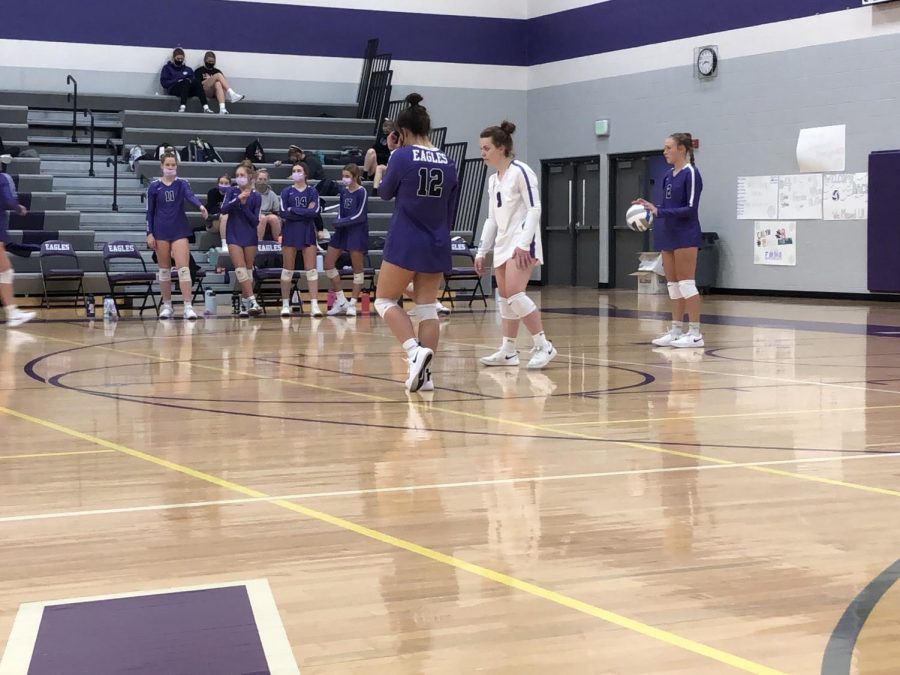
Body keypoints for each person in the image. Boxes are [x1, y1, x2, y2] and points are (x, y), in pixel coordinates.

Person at [375, 93, 458, 393]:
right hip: (437, 240)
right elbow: (452, 209)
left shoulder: (401, 156)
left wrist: (390, 157)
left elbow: (385, 193)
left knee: (384, 300)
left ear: (402, 132)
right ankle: (427, 377)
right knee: (427, 309)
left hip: (406, 238)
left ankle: (413, 352)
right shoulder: (449, 161)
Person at [475, 121, 557, 369]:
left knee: (515, 294)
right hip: (502, 243)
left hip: (523, 242)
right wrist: (481, 251)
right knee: (505, 298)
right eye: (481, 148)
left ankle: (544, 345)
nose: (483, 153)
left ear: (501, 148)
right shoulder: (493, 180)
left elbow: (535, 208)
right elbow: (491, 219)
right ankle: (509, 350)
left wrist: (523, 244)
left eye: (486, 148)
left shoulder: (521, 171)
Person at [632, 132, 705, 348]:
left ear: (682, 149)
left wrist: (661, 212)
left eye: (668, 148)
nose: (665, 152)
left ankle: (695, 333)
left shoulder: (691, 173)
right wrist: (651, 207)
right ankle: (675, 330)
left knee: (686, 283)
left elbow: (691, 208)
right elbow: (665, 207)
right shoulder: (667, 175)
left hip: (686, 234)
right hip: (668, 234)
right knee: (673, 286)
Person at [146, 153, 209, 320]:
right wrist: (149, 233)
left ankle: (188, 306)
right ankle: (167, 305)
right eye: (167, 164)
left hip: (179, 229)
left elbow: (190, 196)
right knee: (164, 270)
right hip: (160, 231)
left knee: (183, 268)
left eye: (173, 165)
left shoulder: (182, 183)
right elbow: (150, 212)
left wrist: (200, 206)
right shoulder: (154, 187)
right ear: (161, 166)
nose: (170, 167)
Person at [279, 162, 322, 318]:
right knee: (287, 269)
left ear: (305, 174)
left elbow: (315, 212)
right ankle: (285, 305)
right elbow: (283, 212)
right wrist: (305, 211)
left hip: (307, 231)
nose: (296, 173)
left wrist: (294, 210)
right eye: (293, 171)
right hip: (290, 231)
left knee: (311, 270)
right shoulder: (286, 192)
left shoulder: (312, 192)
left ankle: (315, 305)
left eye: (299, 170)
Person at [324, 164, 368, 317]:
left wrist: (342, 222)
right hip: (342, 232)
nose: (344, 179)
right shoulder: (343, 192)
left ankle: (353, 304)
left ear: (355, 177)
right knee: (328, 264)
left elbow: (360, 215)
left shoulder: (362, 191)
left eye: (347, 176)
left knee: (357, 269)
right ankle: (341, 300)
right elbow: (342, 212)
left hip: (356, 232)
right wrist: (338, 220)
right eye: (343, 176)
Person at [221, 163, 263, 317]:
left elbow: (255, 221)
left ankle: (245, 304)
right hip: (234, 234)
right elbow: (224, 210)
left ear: (250, 177)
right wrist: (238, 199)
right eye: (237, 175)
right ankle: (253, 300)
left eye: (242, 175)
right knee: (239, 268)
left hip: (250, 234)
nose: (239, 178)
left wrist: (245, 206)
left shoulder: (256, 196)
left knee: (248, 269)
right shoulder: (231, 191)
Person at [0, 163, 34, 327]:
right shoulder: (1, 179)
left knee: (4, 271)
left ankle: (12, 312)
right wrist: (19, 208)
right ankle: (12, 313)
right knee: (5, 271)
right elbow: (8, 200)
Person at [160, 48, 213, 114]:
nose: (180, 60)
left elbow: (193, 81)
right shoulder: (167, 68)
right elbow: (164, 83)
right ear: (173, 58)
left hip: (188, 90)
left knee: (196, 82)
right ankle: (182, 107)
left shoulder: (188, 69)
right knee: (185, 82)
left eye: (181, 59)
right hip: (174, 88)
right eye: (178, 59)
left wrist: (189, 81)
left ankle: (206, 107)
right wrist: (177, 81)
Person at [194, 51, 244, 115]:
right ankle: (232, 93)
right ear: (205, 60)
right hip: (203, 90)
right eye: (209, 61)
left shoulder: (217, 71)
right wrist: (211, 79)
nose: (211, 63)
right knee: (218, 75)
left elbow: (223, 85)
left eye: (212, 62)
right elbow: (197, 84)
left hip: (214, 92)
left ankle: (222, 108)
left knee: (218, 83)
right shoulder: (199, 70)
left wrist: (214, 81)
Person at [364, 119, 393, 188]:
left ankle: (375, 190)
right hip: (375, 167)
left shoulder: (395, 141)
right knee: (371, 151)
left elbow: (391, 156)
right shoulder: (381, 138)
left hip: (385, 169)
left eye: (388, 127)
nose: (385, 129)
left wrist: (379, 155)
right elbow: (374, 149)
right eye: (384, 126)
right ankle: (364, 175)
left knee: (380, 168)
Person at [255, 169, 282, 242]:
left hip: (268, 214)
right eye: (260, 179)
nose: (262, 182)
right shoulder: (251, 192)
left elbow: (277, 212)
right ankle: (258, 242)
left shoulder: (272, 194)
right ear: (255, 180)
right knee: (262, 218)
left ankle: (278, 242)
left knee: (274, 218)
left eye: (264, 179)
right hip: (255, 215)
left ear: (268, 181)